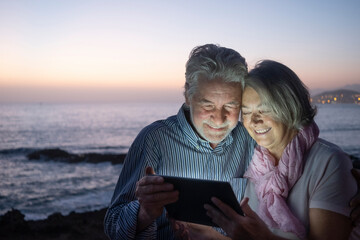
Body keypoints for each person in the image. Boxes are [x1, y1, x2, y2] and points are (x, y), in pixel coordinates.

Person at [185, 60, 357, 239]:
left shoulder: (329, 163)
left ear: (290, 107)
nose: (254, 121)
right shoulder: (256, 167)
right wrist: (210, 235)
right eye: (247, 112)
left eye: (264, 110)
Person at [103, 44, 257, 239]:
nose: (219, 119)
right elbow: (112, 225)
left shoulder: (250, 140)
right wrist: (144, 212)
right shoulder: (153, 139)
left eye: (231, 105)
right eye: (207, 104)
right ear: (188, 95)